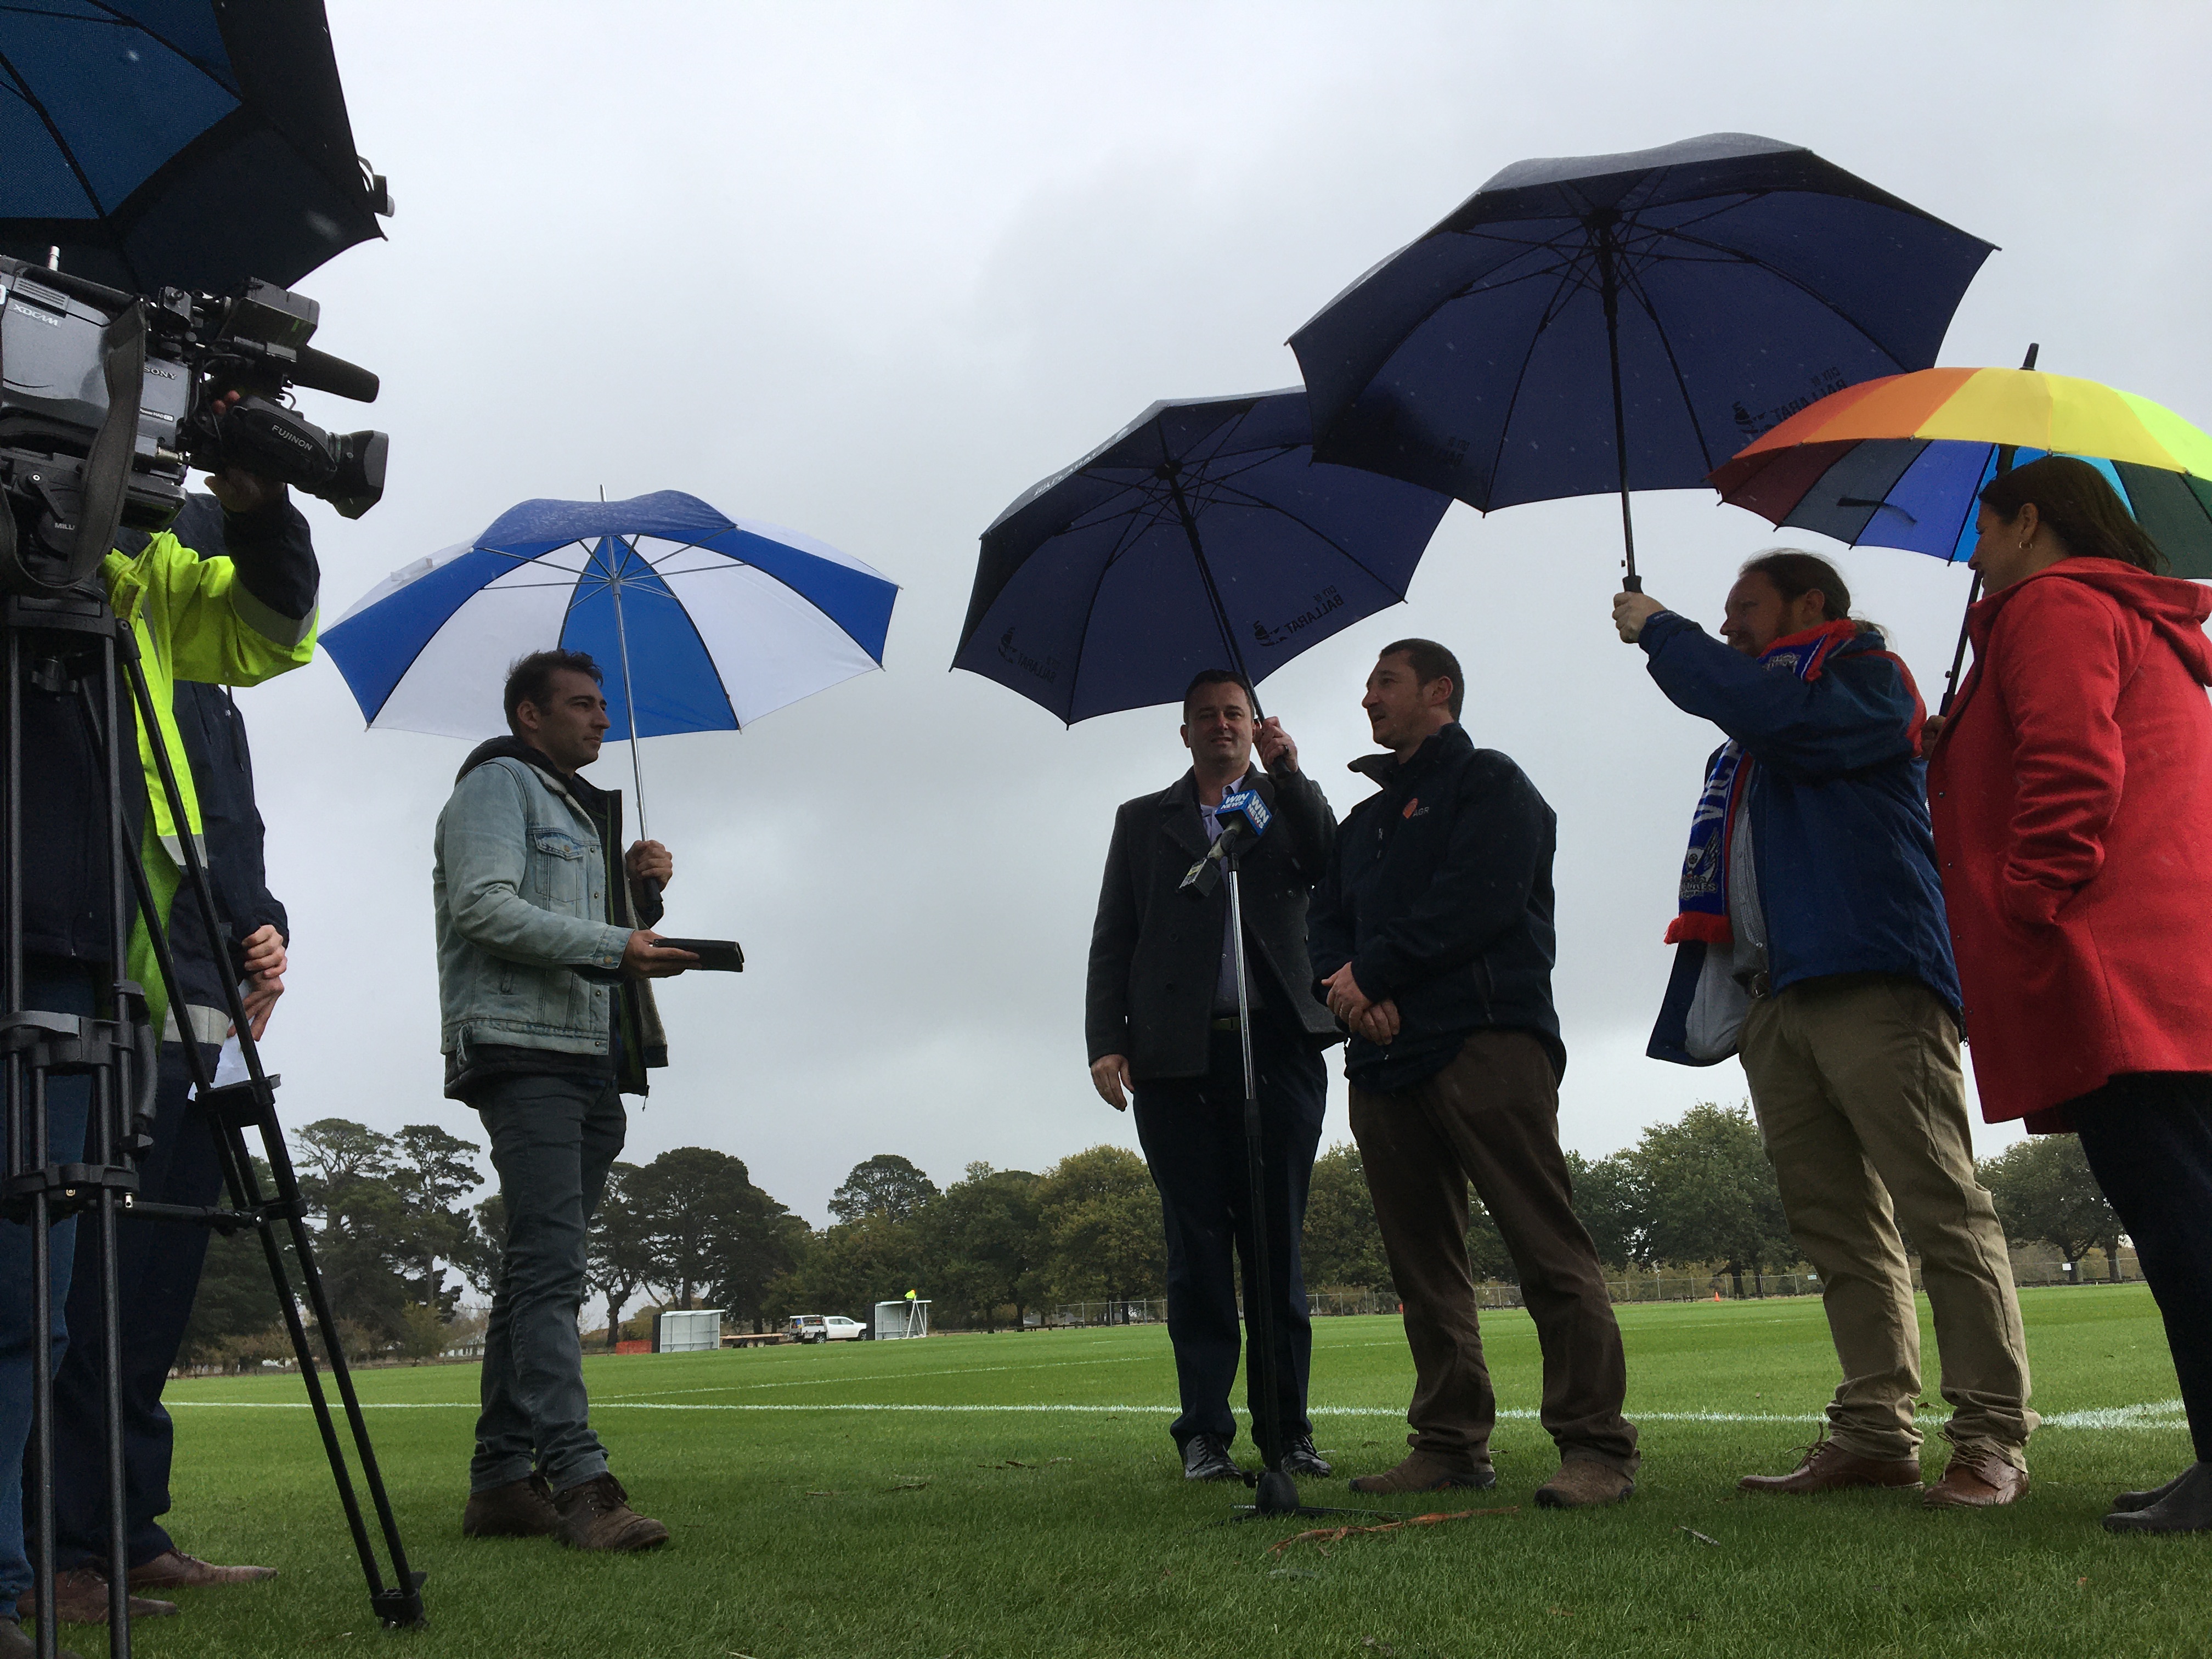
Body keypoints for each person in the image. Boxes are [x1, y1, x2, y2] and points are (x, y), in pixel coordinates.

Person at [1612, 552, 2034, 1506]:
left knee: (1940, 1206)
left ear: (1812, 605)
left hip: (1873, 979)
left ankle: (1991, 1438)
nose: (1727, 627)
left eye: (1743, 610)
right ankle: (1876, 1431)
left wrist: (1663, 630)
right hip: (1779, 997)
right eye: (1718, 616)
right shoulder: (1755, 730)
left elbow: (1780, 717)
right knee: (1835, 1227)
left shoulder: (1865, 681)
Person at [3, 465, 317, 1651]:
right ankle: (61, 1546)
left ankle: (130, 1528)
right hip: (113, 970)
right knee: (83, 1277)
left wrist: (263, 919)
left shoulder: (204, 660)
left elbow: (221, 818)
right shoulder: (103, 601)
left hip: (202, 986)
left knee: (159, 1279)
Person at [1926, 456, 2212, 1534]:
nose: (1976, 554)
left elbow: (2072, 767)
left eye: (1984, 531)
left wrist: (2027, 899)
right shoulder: (2114, 612)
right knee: (2187, 1208)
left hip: (2110, 961)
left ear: (2031, 521)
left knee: (2181, 1222)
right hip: (2166, 960)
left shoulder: (2053, 605)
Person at [1309, 639, 1638, 1507]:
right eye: (1369, 686)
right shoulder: (1362, 824)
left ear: (1438, 691)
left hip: (1488, 1041)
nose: (1370, 700)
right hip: (1384, 1063)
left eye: (1386, 682)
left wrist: (1376, 975)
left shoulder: (1491, 783)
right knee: (1424, 1268)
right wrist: (1348, 994)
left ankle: (1597, 1447)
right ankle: (1451, 1442)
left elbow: (1481, 897)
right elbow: (1325, 928)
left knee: (1545, 1245)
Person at [436, 648, 695, 1552]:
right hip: (521, 1053)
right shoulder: (495, 787)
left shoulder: (580, 814)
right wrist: (615, 939)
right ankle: (582, 1484)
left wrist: (640, 890)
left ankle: (502, 1482)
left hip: (589, 1056)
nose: (601, 719)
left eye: (603, 704)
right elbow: (484, 907)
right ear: (529, 714)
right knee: (549, 1271)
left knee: (531, 1275)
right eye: (583, 705)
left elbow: (604, 934)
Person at [1085, 669, 1338, 1482]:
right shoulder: (1142, 822)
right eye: (1207, 716)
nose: (1223, 725)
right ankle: (1204, 1434)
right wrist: (1105, 1039)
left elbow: (1331, 862)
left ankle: (1288, 1431)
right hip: (1175, 1061)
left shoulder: (1282, 800)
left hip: (1280, 1052)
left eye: (1236, 714)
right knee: (1196, 1255)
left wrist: (1289, 772)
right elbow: (1114, 934)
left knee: (1277, 1252)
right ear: (1184, 732)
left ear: (1253, 725)